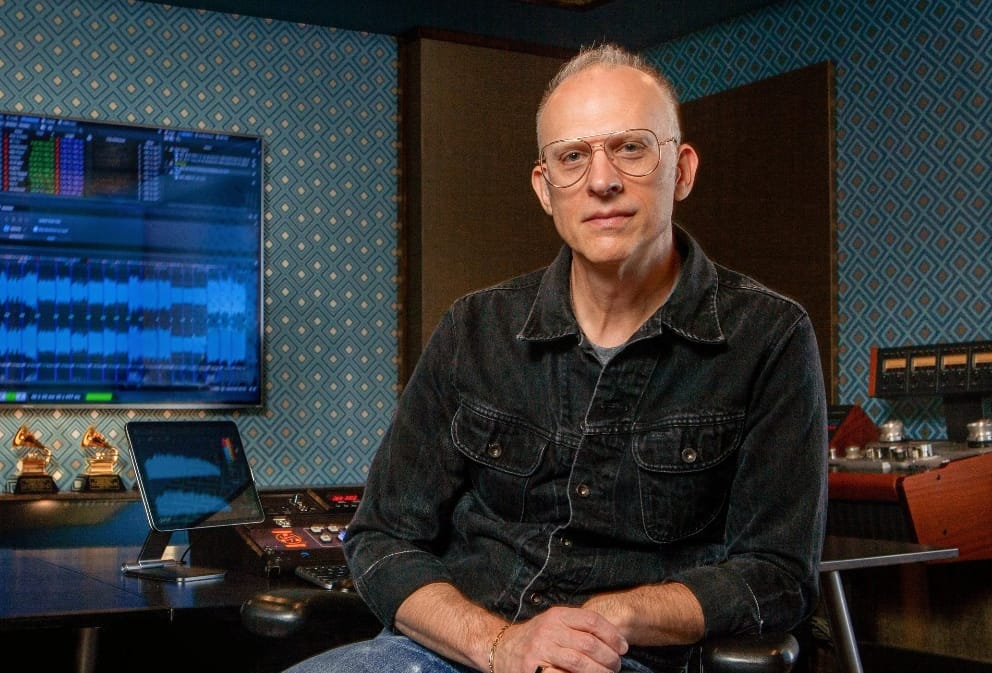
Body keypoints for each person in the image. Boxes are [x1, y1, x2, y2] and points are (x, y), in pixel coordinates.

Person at [284, 42, 828, 673]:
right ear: (546, 188)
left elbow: (776, 576)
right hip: (458, 649)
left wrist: (609, 620)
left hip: (630, 660)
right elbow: (382, 538)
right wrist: (499, 644)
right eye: (573, 157)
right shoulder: (473, 329)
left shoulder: (771, 336)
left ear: (681, 169)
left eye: (630, 147)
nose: (602, 180)